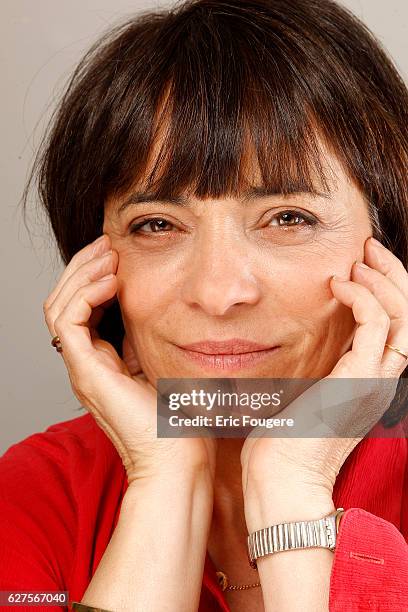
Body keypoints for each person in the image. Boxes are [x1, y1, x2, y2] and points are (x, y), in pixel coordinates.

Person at [1, 0, 408, 610]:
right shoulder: (36, 490)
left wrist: (290, 487)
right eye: (157, 225)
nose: (218, 294)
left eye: (288, 218)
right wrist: (164, 482)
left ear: (389, 249)